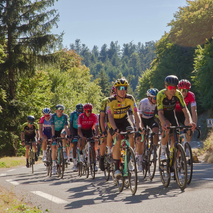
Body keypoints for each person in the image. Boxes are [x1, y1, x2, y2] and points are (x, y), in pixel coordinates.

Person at [107, 78, 142, 179]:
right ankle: (117, 167)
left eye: (125, 88)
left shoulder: (130, 98)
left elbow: (136, 113)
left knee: (131, 134)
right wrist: (115, 129)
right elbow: (109, 117)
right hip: (114, 121)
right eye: (120, 88)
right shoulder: (111, 100)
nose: (122, 90)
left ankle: (129, 158)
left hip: (124, 119)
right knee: (118, 140)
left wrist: (138, 126)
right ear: (116, 90)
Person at [157, 75, 196, 161]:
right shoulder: (160, 94)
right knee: (167, 126)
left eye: (175, 87)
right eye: (171, 87)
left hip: (171, 114)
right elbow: (160, 112)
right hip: (162, 114)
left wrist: (190, 122)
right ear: (166, 86)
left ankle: (172, 158)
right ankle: (163, 151)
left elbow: (185, 110)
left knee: (176, 138)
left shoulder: (178, 93)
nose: (173, 89)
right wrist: (163, 123)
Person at [138, 88, 159, 171]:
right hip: (142, 119)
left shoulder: (157, 104)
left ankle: (154, 150)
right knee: (142, 139)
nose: (156, 99)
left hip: (151, 119)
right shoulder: (143, 102)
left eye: (157, 98)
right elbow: (139, 117)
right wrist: (142, 128)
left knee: (156, 130)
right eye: (154, 98)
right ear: (149, 97)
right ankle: (140, 161)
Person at [99, 86, 116, 171]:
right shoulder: (105, 101)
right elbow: (102, 117)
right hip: (105, 121)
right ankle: (102, 157)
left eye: (116, 91)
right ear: (110, 92)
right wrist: (102, 130)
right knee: (104, 139)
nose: (114, 93)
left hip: (116, 120)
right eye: (113, 91)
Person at [78, 103, 99, 171]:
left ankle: (94, 163)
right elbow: (79, 129)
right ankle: (81, 153)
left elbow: (96, 127)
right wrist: (82, 136)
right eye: (87, 111)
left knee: (93, 146)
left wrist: (95, 135)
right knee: (82, 140)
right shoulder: (81, 116)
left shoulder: (94, 116)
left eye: (90, 110)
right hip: (82, 131)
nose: (89, 112)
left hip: (90, 130)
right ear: (84, 111)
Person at [51, 104, 70, 175]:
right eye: (59, 111)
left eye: (62, 111)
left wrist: (67, 135)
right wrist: (53, 136)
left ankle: (64, 152)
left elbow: (66, 126)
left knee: (63, 135)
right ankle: (53, 165)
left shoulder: (65, 116)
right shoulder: (53, 116)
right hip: (54, 131)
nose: (60, 112)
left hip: (62, 130)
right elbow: (52, 126)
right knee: (54, 147)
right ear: (56, 111)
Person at [69, 103, 83, 172]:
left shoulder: (84, 114)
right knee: (74, 144)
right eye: (78, 111)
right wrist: (72, 134)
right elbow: (71, 124)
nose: (80, 113)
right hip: (74, 128)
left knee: (83, 142)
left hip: (81, 128)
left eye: (81, 111)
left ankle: (83, 156)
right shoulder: (72, 114)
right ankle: (74, 163)